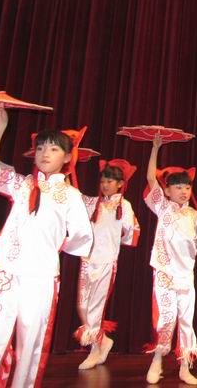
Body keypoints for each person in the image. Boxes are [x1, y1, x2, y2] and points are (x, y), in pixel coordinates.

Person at [0, 104, 93, 387]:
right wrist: (0, 126)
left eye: (53, 148)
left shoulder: (71, 195)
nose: (44, 153)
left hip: (41, 275)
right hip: (8, 270)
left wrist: (52, 246)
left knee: (31, 343)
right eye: (40, 148)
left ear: (67, 157)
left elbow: (82, 236)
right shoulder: (21, 184)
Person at [144, 135, 197, 385]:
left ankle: (185, 366)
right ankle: (157, 360)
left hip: (186, 275)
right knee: (166, 318)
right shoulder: (162, 207)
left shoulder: (194, 214)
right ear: (167, 190)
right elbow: (151, 179)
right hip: (165, 272)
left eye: (187, 187)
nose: (183, 191)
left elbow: (194, 245)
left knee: (186, 320)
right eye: (178, 187)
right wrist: (155, 149)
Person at [75, 158, 141, 369]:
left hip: (106, 261)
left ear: (120, 184)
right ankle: (103, 341)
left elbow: (131, 231)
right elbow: (74, 196)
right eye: (103, 181)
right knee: (82, 306)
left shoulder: (124, 205)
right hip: (88, 260)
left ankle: (95, 350)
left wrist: (117, 237)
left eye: (110, 181)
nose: (105, 185)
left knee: (95, 308)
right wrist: (69, 169)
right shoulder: (93, 202)